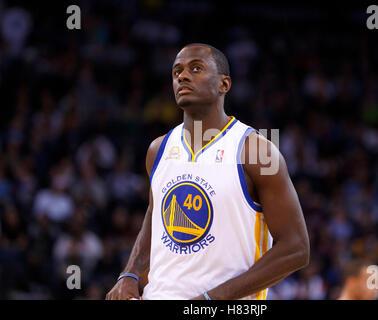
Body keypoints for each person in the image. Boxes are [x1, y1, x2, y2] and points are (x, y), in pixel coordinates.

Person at [106, 43, 310, 300]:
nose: (182, 76)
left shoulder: (256, 150)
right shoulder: (158, 149)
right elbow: (154, 213)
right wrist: (130, 272)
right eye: (177, 71)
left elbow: (297, 249)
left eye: (196, 68)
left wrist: (211, 299)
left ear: (224, 84)